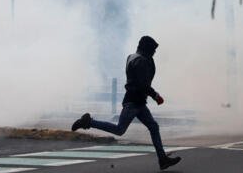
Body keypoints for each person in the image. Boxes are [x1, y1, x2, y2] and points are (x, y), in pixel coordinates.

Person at [72, 35, 181, 170]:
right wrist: (155, 95)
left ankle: (163, 159)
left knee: (153, 127)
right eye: (152, 49)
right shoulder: (141, 61)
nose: (154, 52)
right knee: (120, 129)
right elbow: (142, 84)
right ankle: (88, 122)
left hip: (138, 102)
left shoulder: (133, 56)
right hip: (133, 102)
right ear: (147, 48)